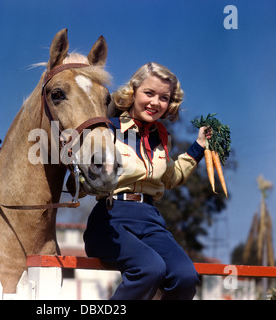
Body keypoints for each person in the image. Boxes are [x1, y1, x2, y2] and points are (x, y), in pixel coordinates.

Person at [83, 62, 211, 300]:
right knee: (149, 269)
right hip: (111, 220)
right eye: (149, 93)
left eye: (164, 97)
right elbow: (85, 179)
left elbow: (170, 177)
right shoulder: (106, 130)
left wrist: (199, 146)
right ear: (133, 92)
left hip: (150, 221)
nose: (155, 102)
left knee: (185, 277)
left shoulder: (162, 137)